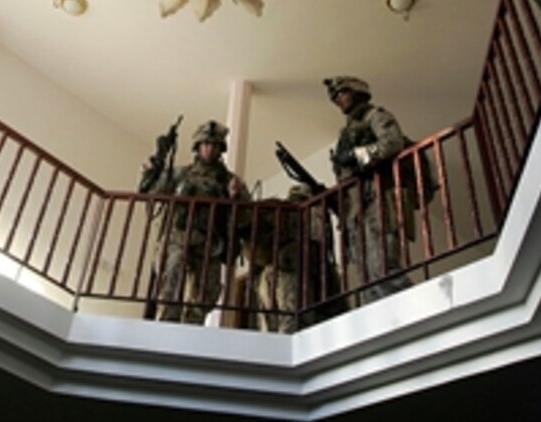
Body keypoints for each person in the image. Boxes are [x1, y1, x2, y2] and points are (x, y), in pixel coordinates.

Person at [144, 120, 248, 324]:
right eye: (205, 144)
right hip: (178, 238)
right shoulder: (181, 174)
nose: (209, 149)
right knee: (172, 273)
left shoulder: (230, 181)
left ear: (220, 149)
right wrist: (155, 164)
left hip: (211, 243)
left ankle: (191, 328)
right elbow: (152, 191)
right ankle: (166, 322)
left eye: (215, 145)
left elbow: (245, 218)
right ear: (198, 146)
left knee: (206, 293)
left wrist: (233, 198)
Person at [324, 76, 412, 305]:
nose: (338, 100)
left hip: (378, 197)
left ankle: (406, 312)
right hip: (354, 208)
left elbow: (392, 143)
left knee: (383, 266)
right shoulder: (345, 133)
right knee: (364, 277)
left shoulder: (376, 116)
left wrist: (357, 155)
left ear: (357, 92)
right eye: (335, 98)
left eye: (342, 93)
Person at [251, 183, 334, 334]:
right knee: (293, 321)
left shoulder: (280, 211)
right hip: (290, 272)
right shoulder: (303, 212)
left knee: (274, 324)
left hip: (272, 274)